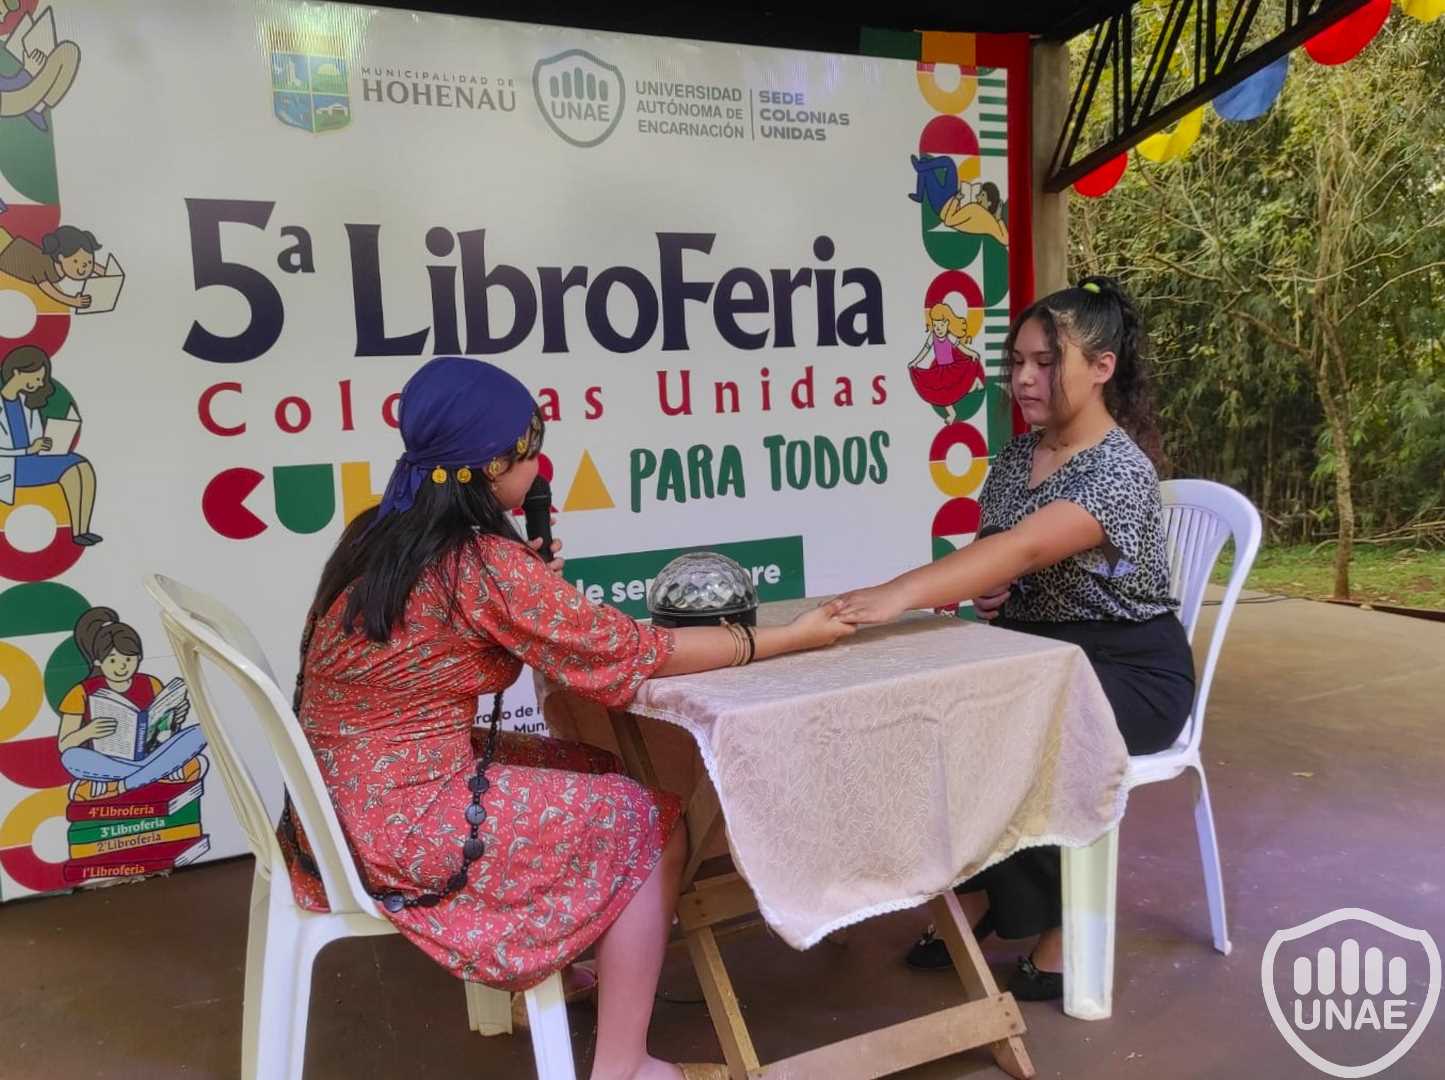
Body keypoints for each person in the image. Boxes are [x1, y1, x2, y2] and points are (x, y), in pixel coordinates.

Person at [278, 355, 854, 1080]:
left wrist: (528, 585)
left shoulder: (378, 532)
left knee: (599, 768)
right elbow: (640, 651)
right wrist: (787, 637)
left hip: (335, 806)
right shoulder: (482, 564)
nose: (538, 467)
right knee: (647, 822)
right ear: (493, 465)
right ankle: (624, 1066)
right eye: (529, 451)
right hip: (401, 824)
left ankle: (567, 959)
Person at [836, 276, 1195, 1002]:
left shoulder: (1117, 470)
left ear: (1102, 368)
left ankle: (1061, 920)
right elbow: (999, 556)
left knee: (1008, 727)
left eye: (1045, 363)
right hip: (1034, 651)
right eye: (1018, 362)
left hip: (1126, 668)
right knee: (935, 713)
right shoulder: (1013, 458)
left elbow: (1025, 547)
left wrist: (897, 593)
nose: (1023, 379)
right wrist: (991, 590)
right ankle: (977, 896)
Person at [57, 607, 203, 799]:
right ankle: (159, 772)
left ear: (139, 658)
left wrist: (174, 717)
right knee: (71, 758)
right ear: (98, 661)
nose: (122, 666)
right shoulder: (81, 692)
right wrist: (87, 732)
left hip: (151, 754)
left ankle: (120, 785)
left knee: (201, 732)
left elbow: (165, 734)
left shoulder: (151, 683)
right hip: (107, 761)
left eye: (128, 659)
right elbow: (64, 745)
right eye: (112, 660)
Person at [0, 345, 101, 544]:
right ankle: (79, 532)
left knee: (81, 465)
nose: (39, 384)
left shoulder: (27, 403)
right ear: (17, 371)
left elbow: (36, 437)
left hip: (33, 461)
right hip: (10, 467)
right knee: (74, 467)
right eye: (37, 378)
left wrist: (50, 442)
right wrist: (27, 450)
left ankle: (81, 531)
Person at [0, 225, 101, 310]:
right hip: (3, 250)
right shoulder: (42, 266)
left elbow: (87, 263)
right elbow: (51, 291)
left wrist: (104, 272)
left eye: (89, 262)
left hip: (8, 243)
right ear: (61, 257)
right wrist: (73, 301)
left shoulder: (60, 261)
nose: (84, 269)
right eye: (75, 262)